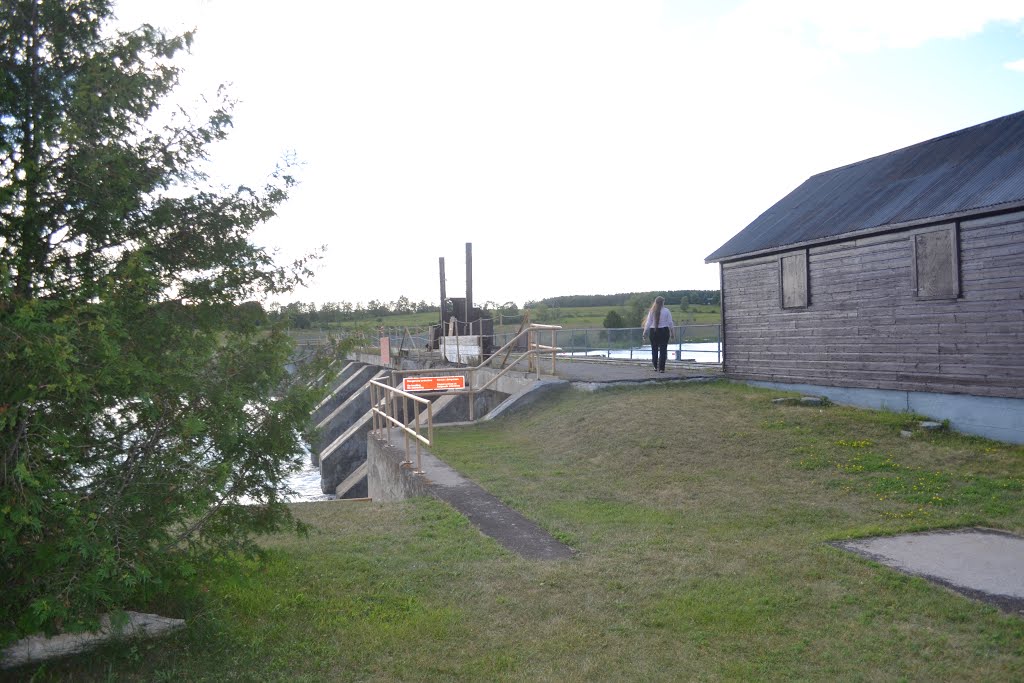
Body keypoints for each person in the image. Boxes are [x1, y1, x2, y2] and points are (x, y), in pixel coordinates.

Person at [642, 295, 674, 372]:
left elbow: (648, 322)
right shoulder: (666, 311)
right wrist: (672, 332)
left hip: (653, 331)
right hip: (664, 331)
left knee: (654, 349)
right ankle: (662, 368)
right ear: (663, 303)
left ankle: (655, 366)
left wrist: (645, 332)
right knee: (663, 350)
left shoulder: (652, 311)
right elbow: (670, 322)